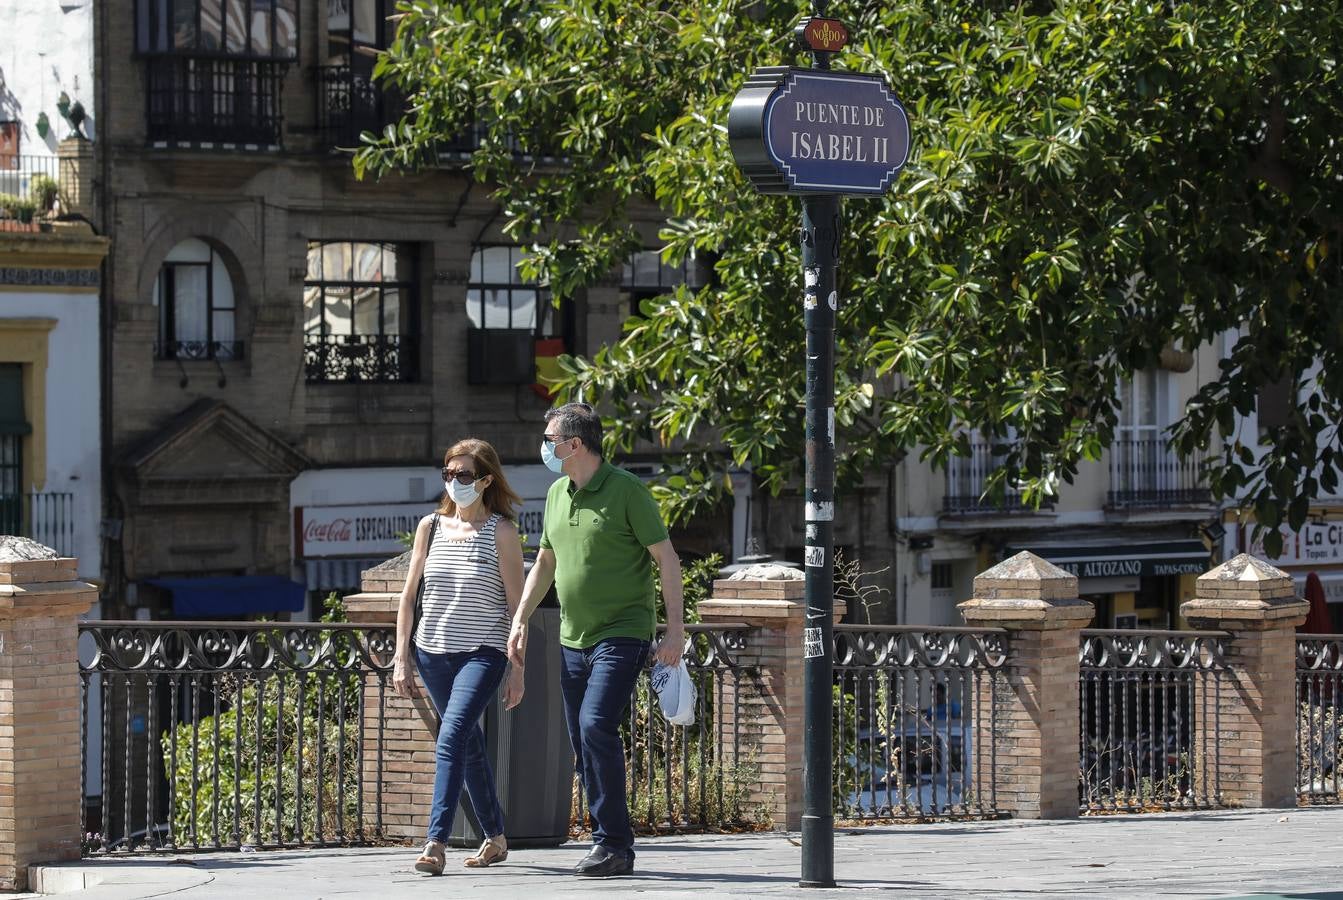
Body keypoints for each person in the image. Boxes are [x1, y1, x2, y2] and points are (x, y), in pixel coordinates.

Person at [507, 402, 685, 878]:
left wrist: (674, 630)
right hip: (572, 638)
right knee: (581, 741)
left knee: (594, 725)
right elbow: (545, 562)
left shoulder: (627, 491)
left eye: (550, 439)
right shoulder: (556, 494)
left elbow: (667, 559)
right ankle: (605, 837)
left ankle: (614, 844)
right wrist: (520, 619)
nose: (545, 446)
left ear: (574, 444)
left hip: (623, 633)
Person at [392, 438, 527, 876]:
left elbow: (516, 607)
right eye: (448, 474)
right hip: (432, 653)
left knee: (451, 737)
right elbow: (409, 596)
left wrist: (517, 669)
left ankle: (436, 841)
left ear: (486, 480)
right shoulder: (429, 526)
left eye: (464, 475)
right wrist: (402, 656)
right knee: (466, 744)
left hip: (482, 653)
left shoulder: (502, 531)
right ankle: (496, 836)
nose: (454, 482)